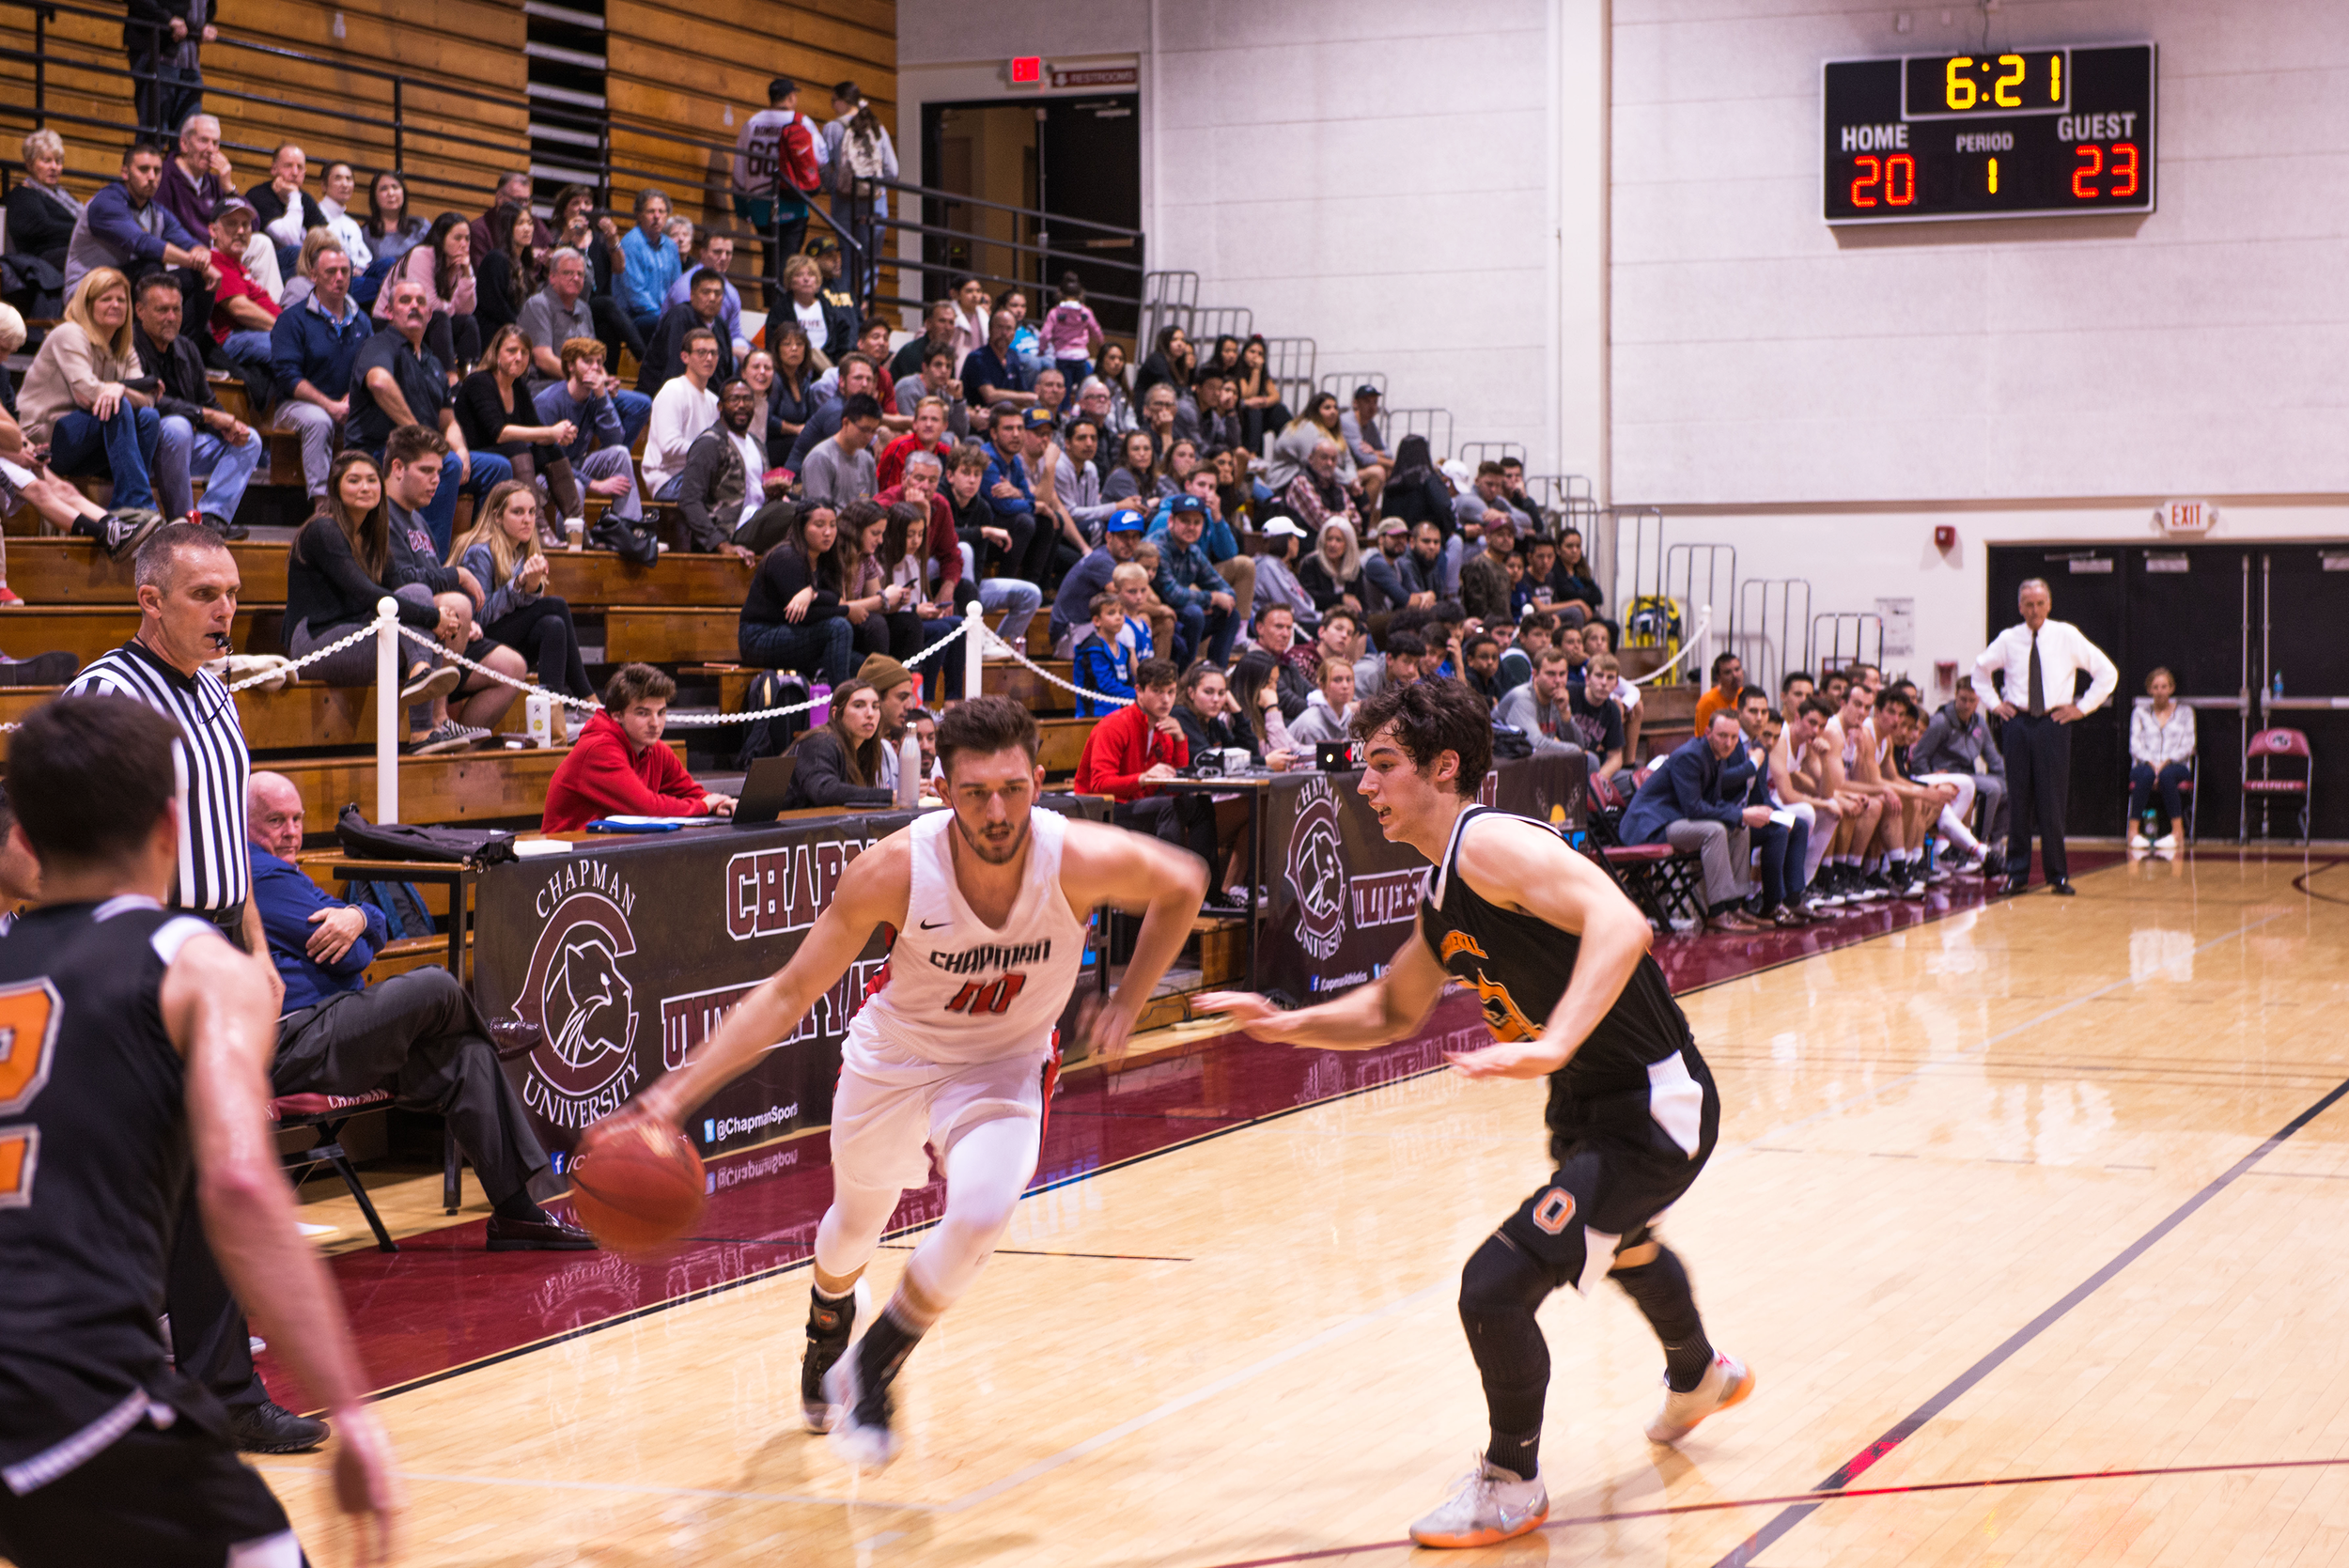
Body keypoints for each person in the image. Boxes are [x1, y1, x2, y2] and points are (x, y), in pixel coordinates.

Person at [1196, 677, 1747, 1549]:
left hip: (1653, 1103)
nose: (1365, 784)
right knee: (1625, 1246)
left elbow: (1621, 920)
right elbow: (1390, 1009)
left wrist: (1555, 1040)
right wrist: (1283, 1022)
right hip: (1593, 1104)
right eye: (1359, 765)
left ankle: (1510, 1481)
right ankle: (1701, 1373)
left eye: (1382, 765)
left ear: (1444, 767)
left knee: (1494, 1288)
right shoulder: (1446, 884)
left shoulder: (1486, 842)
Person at [593, 696, 1202, 1469]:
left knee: (984, 1208)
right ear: (943, 790)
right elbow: (786, 993)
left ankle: (876, 1363)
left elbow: (1183, 881)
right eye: (976, 793)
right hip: (897, 1058)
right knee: (856, 1223)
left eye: (1013, 789)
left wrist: (1128, 999)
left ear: (1039, 783)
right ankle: (828, 1321)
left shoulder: (1075, 856)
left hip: (1003, 1062)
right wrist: (671, 1096)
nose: (997, 810)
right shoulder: (893, 869)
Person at [0, 699, 402, 1565]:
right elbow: (242, 1184)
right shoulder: (188, 958)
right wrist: (353, 1411)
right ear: (172, 824)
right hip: (67, 1381)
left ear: (24, 834)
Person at [59, 528, 343, 1452]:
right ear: (150, 600)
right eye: (203, 594)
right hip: (142, 955)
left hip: (219, 941)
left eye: (231, 592)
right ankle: (105, 1391)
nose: (226, 610)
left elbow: (231, 847)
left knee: (220, 1174)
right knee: (143, 1182)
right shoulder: (104, 695)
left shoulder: (219, 696)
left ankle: (221, 1388)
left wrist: (256, 949)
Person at [244, 769, 594, 1256]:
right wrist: (361, 930)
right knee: (435, 984)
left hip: (337, 1027)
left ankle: (517, 1212)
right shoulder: (258, 875)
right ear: (241, 826)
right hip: (292, 1039)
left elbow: (377, 934)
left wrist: (361, 916)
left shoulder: (289, 873)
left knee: (466, 1057)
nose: (291, 831)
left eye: (298, 819)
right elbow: (353, 957)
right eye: (275, 820)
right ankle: (487, 1030)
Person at [283, 450, 469, 749]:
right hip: (316, 643)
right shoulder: (323, 529)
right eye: (354, 480)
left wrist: (439, 611)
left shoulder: (374, 537)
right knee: (416, 612)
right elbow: (367, 594)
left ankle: (422, 700)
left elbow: (404, 587)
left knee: (417, 595)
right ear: (336, 487)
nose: (365, 487)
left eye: (371, 480)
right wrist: (434, 617)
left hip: (359, 634)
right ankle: (422, 720)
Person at [380, 425, 529, 746]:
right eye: (426, 471)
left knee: (512, 667)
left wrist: (465, 624)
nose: (436, 480)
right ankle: (437, 719)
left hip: (438, 626)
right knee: (459, 604)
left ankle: (460, 747)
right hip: (404, 626)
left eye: (438, 471)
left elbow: (431, 576)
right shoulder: (380, 516)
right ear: (397, 468)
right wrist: (457, 577)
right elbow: (399, 582)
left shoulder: (417, 518)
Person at [1974, 579, 2117, 896]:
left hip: (2053, 723)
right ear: (2019, 607)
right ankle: (2016, 874)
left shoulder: (2065, 634)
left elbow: (2107, 672)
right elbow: (1979, 673)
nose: (2034, 610)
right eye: (2028, 604)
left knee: (2052, 801)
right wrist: (1996, 705)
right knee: (2018, 800)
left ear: (2049, 604)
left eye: (2039, 603)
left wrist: (2082, 708)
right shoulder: (2009, 639)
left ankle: (2058, 875)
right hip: (2019, 724)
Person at [351, 275, 509, 554]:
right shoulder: (380, 344)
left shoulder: (433, 361)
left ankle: (480, 554)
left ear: (429, 314)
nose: (414, 306)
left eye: (420, 302)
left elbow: (447, 419)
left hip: (425, 454)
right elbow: (378, 382)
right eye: (405, 301)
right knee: (445, 465)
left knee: (497, 468)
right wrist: (420, 437)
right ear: (389, 312)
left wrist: (460, 449)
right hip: (380, 452)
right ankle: (432, 561)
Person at [17, 268, 166, 535]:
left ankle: (125, 505)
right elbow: (87, 395)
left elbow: (149, 400)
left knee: (148, 418)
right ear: (88, 304)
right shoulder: (70, 334)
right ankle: (138, 504)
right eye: (106, 299)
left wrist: (118, 389)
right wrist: (120, 391)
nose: (115, 305)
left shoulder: (123, 346)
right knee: (117, 405)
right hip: (45, 440)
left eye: (121, 300)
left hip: (87, 439)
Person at [131, 270, 261, 538]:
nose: (171, 317)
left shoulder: (187, 348)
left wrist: (228, 426)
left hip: (183, 448)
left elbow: (207, 401)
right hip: (142, 448)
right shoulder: (128, 346)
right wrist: (208, 416)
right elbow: (150, 402)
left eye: (176, 310)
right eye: (162, 310)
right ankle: (184, 523)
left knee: (250, 439)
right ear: (140, 310)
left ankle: (212, 518)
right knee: (178, 427)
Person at [1621, 710, 1774, 933]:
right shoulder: (1690, 756)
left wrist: (1744, 814)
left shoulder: (1717, 757)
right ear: (1708, 732)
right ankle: (1718, 912)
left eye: (1733, 737)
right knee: (1714, 830)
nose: (1729, 742)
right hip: (1651, 825)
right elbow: (1694, 808)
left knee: (1740, 828)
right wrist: (1741, 814)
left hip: (1675, 818)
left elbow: (1713, 802)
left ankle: (1735, 905)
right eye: (1722, 735)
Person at [449, 479, 594, 706]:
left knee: (552, 625)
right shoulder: (480, 552)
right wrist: (520, 584)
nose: (527, 519)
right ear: (497, 516)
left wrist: (531, 587)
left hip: (500, 641)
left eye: (532, 512)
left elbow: (522, 612)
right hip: (472, 645)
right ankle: (588, 700)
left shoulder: (520, 550)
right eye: (518, 512)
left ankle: (549, 713)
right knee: (555, 605)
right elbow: (477, 618)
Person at [541, 664, 736, 831]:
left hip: (609, 855)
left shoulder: (655, 749)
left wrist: (717, 802)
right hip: (568, 864)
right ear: (617, 714)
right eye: (643, 713)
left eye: (661, 713)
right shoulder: (598, 749)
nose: (655, 723)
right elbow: (647, 809)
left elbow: (692, 793)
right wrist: (703, 805)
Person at [1075, 658, 1223, 877]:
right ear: (1139, 691)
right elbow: (1099, 785)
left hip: (1140, 805)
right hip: (1102, 808)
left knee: (1198, 804)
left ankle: (1208, 895)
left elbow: (1175, 788)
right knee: (1168, 808)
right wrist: (1142, 778)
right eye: (1157, 691)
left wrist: (1181, 740)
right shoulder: (1114, 725)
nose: (1166, 700)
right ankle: (1163, 890)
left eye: (1171, 692)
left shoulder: (1167, 728)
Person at [533, 336, 647, 529]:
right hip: (546, 473)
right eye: (587, 361)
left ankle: (628, 529)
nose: (595, 367)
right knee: (575, 486)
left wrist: (602, 396)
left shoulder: (596, 396)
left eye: (599, 362)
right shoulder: (548, 402)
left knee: (620, 453)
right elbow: (548, 461)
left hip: (576, 466)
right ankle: (572, 543)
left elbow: (615, 440)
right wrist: (595, 484)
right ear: (570, 366)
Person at [739, 502, 853, 687]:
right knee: (838, 627)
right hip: (760, 637)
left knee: (860, 662)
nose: (828, 532)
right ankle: (840, 709)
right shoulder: (785, 557)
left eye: (833, 525)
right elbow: (802, 616)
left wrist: (814, 595)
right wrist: (844, 609)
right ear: (802, 527)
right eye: (819, 525)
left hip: (795, 635)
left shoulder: (826, 559)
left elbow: (835, 601)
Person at [1910, 677, 2007, 874]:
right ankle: (1977, 846)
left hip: (1969, 775)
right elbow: (1919, 757)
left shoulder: (1979, 723)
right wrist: (1929, 781)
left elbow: (1993, 756)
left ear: (1978, 700)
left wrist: (2006, 776)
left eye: (1972, 701)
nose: (1967, 705)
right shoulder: (1940, 722)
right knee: (1993, 789)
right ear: (1955, 696)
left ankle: (1995, 842)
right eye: (1963, 699)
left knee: (2008, 786)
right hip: (1945, 774)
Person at [734, 77, 824, 283]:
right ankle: (779, 304)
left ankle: (769, 304)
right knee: (788, 257)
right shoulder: (800, 121)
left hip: (758, 201)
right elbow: (821, 158)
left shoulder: (752, 123)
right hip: (791, 196)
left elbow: (739, 166)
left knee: (769, 255)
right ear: (791, 97)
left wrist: (741, 206)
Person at [372, 211, 479, 375]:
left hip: (429, 321)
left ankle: (469, 376)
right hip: (389, 320)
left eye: (467, 238)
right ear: (441, 238)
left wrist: (466, 275)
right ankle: (449, 379)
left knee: (468, 322)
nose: (464, 244)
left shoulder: (461, 263)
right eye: (457, 238)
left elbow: (466, 310)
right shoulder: (421, 255)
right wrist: (450, 306)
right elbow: (427, 304)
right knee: (439, 317)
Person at [777, 678, 894, 809]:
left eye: (875, 706)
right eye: (858, 705)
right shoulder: (820, 742)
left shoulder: (865, 748)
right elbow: (823, 791)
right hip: (776, 826)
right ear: (836, 713)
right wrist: (890, 796)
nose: (870, 714)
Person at [1153, 494, 1239, 667]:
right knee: (1194, 613)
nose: (1191, 527)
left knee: (1231, 615)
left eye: (1197, 522)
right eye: (1185, 521)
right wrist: (1211, 599)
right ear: (1172, 520)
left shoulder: (1193, 552)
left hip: (1182, 614)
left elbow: (1225, 590)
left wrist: (1220, 599)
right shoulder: (1158, 547)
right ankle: (1184, 677)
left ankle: (1217, 674)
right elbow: (1172, 594)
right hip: (1158, 614)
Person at [2123, 665, 2196, 850]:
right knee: (2146, 775)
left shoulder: (2185, 712)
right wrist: (2151, 762)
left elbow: (2189, 745)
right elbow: (2135, 744)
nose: (2160, 691)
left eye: (2164, 686)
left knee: (2166, 775)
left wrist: (2167, 761)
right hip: (2146, 763)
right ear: (2149, 690)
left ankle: (2177, 832)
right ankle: (2133, 832)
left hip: (2176, 764)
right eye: (2155, 687)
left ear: (2172, 688)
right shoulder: (2140, 712)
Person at [7, 129, 86, 273]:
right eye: (47, 160)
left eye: (58, 161)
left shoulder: (64, 195)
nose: (54, 167)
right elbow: (43, 228)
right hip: (43, 262)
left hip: (70, 253)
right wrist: (85, 230)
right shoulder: (23, 194)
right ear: (29, 164)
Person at [801, 391, 882, 509]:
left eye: (874, 431)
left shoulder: (867, 459)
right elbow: (819, 512)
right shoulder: (820, 458)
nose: (869, 437)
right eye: (864, 430)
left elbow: (872, 504)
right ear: (846, 422)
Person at [618, 186, 681, 341]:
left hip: (663, 316)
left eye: (662, 211)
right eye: (651, 211)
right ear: (639, 215)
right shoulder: (631, 243)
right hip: (636, 317)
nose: (657, 216)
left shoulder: (671, 246)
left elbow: (677, 287)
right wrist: (665, 317)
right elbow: (635, 294)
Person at [1496, 647, 1581, 757]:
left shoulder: (1557, 696)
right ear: (1535, 674)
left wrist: (1565, 714)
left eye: (1562, 674)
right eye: (1551, 674)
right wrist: (1575, 750)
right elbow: (1535, 744)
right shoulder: (1523, 697)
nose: (1558, 681)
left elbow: (1580, 745)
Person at [1072, 591, 1138, 718]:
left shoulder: (1123, 650)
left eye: (1121, 612)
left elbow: (1128, 680)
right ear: (1097, 620)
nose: (1118, 617)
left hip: (1120, 710)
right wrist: (1138, 694)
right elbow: (1105, 684)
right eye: (1111, 613)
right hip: (1094, 713)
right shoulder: (1093, 648)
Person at [1040, 272, 1103, 383]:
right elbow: (1096, 330)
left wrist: (1042, 349)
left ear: (1060, 292)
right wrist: (1100, 345)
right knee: (1082, 390)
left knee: (1064, 389)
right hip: (1081, 355)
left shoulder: (1055, 312)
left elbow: (1045, 334)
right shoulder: (1085, 312)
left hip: (1062, 356)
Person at [1297, 516, 1366, 617]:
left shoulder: (1354, 567)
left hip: (1349, 621)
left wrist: (1363, 623)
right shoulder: (1311, 563)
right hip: (1320, 619)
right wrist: (1341, 599)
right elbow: (1309, 597)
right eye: (1329, 539)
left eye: (1338, 540)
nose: (1332, 544)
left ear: (1348, 544)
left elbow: (1362, 602)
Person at [1286, 655, 1361, 748]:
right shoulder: (1311, 724)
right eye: (1337, 680)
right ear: (1322, 686)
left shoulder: (1351, 718)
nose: (1345, 686)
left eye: (1349, 679)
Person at [1691, 652, 1747, 733]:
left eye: (1737, 669)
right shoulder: (1707, 702)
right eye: (1728, 672)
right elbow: (1704, 738)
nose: (1735, 675)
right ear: (1718, 677)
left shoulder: (1745, 696)